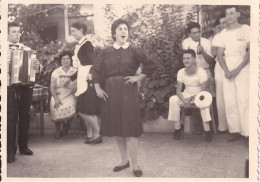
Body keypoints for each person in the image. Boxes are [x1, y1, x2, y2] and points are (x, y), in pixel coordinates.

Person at [92, 19, 156, 177]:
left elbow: (151, 65)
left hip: (128, 92)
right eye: (120, 29)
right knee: (116, 129)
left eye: (125, 29)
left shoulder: (134, 50)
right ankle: (124, 160)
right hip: (110, 92)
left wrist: (139, 77)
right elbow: (95, 70)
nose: (123, 32)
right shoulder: (106, 52)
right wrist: (97, 87)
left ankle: (135, 164)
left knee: (130, 129)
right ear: (114, 33)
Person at [7, 21, 41, 163]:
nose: (17, 34)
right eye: (14, 31)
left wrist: (37, 66)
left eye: (18, 31)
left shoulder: (27, 49)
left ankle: (23, 146)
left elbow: (36, 68)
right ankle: (10, 151)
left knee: (25, 117)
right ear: (7, 33)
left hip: (25, 86)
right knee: (11, 118)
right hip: (9, 86)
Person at [217, 6, 249, 145]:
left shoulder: (246, 29)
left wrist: (238, 69)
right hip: (227, 67)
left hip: (243, 65)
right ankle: (235, 130)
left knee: (243, 99)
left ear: (238, 14)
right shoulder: (223, 33)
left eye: (231, 13)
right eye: (227, 14)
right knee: (230, 100)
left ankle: (247, 132)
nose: (229, 16)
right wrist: (226, 70)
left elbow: (251, 51)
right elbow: (219, 54)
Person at [168, 49, 212, 142]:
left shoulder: (201, 72)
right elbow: (178, 90)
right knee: (173, 99)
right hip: (186, 94)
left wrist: (191, 98)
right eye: (184, 58)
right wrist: (184, 100)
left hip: (199, 95)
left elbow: (203, 91)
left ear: (194, 59)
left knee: (203, 102)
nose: (186, 60)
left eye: (188, 58)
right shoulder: (181, 72)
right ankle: (177, 129)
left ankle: (207, 129)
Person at [70, 22, 101, 144]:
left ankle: (98, 133)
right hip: (83, 76)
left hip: (88, 78)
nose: (72, 34)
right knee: (86, 109)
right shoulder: (82, 44)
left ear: (81, 30)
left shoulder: (87, 44)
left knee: (84, 109)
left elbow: (94, 62)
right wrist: (73, 79)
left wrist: (92, 76)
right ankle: (94, 134)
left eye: (74, 31)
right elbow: (81, 66)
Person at [182, 22, 215, 135]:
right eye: (194, 33)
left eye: (198, 32)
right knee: (194, 97)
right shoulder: (186, 42)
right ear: (189, 34)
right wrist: (196, 54)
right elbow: (188, 60)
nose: (196, 35)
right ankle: (198, 127)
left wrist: (204, 53)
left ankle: (209, 126)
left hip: (206, 72)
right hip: (192, 73)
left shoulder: (206, 42)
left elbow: (211, 61)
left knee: (207, 97)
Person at [50, 51, 77, 138]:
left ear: (70, 60)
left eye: (67, 58)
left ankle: (66, 125)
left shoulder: (75, 71)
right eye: (63, 59)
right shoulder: (56, 72)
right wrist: (56, 98)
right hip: (58, 94)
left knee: (71, 105)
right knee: (56, 105)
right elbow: (52, 87)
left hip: (70, 94)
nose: (66, 61)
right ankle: (57, 129)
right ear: (61, 61)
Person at [211, 13, 229, 133]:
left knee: (233, 95)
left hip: (233, 65)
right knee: (221, 95)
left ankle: (236, 127)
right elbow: (213, 53)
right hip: (220, 66)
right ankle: (223, 126)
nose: (223, 25)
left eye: (225, 22)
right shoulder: (217, 37)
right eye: (221, 23)